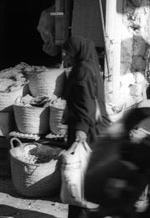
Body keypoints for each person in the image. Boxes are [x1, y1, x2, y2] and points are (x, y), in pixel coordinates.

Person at [62, 35, 111, 218]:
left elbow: (87, 103)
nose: (65, 54)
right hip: (90, 129)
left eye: (68, 50)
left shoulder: (82, 69)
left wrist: (80, 130)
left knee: (78, 175)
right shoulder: (91, 67)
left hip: (84, 131)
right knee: (84, 176)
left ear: (77, 50)